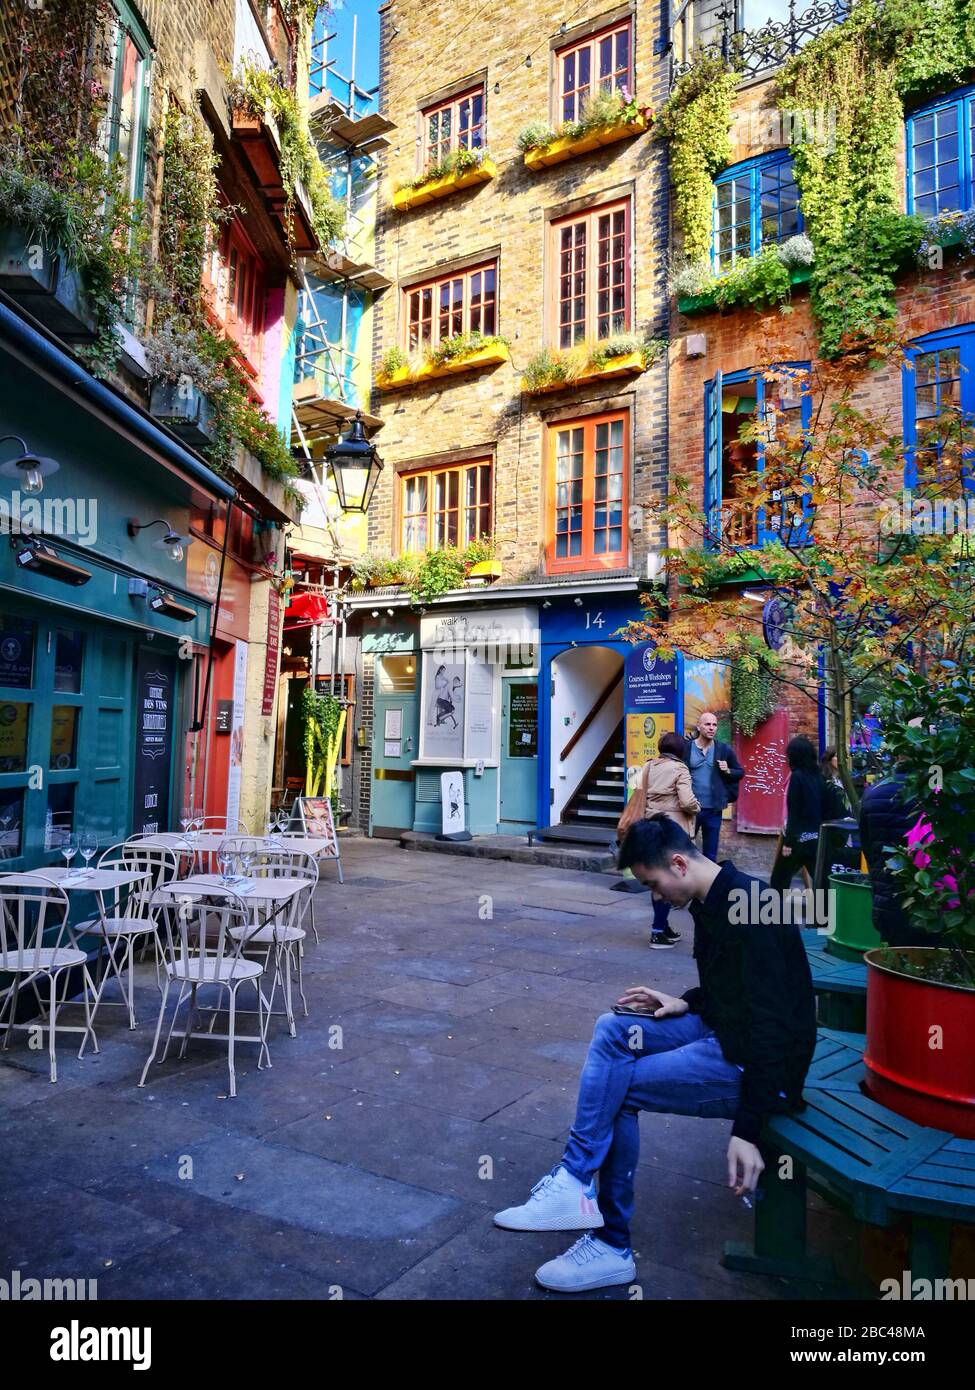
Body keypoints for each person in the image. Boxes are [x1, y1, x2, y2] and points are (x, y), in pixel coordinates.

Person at [493, 815, 817, 1293]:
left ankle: (611, 1246)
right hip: (725, 1032)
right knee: (613, 1029)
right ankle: (573, 1181)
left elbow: (774, 1025)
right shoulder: (712, 899)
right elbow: (733, 990)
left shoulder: (753, 907)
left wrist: (748, 1128)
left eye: (654, 884)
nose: (657, 897)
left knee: (620, 1089)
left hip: (761, 1067)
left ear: (679, 863)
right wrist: (686, 1001)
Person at [616, 731, 700, 949]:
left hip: (651, 827)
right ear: (680, 750)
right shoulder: (680, 769)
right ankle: (658, 931)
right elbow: (687, 800)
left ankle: (662, 927)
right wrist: (697, 807)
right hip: (672, 831)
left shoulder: (650, 766)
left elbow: (641, 794)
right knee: (668, 881)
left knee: (658, 878)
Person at [859, 772, 930, 947]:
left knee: (894, 959)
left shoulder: (873, 793)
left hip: (888, 896)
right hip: (932, 899)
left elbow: (867, 847)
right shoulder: (934, 792)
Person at [770, 735, 833, 892]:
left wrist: (788, 843)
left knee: (779, 880)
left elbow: (794, 812)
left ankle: (773, 913)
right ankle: (826, 914)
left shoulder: (797, 777)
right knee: (821, 882)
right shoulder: (819, 777)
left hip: (798, 839)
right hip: (816, 837)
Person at [685, 711, 743, 860]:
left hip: (713, 811)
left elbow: (740, 772)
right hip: (690, 809)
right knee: (685, 850)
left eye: (714, 725)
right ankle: (687, 883)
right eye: (707, 724)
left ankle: (708, 883)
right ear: (699, 726)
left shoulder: (723, 749)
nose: (712, 728)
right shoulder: (686, 748)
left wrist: (728, 770)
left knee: (710, 854)